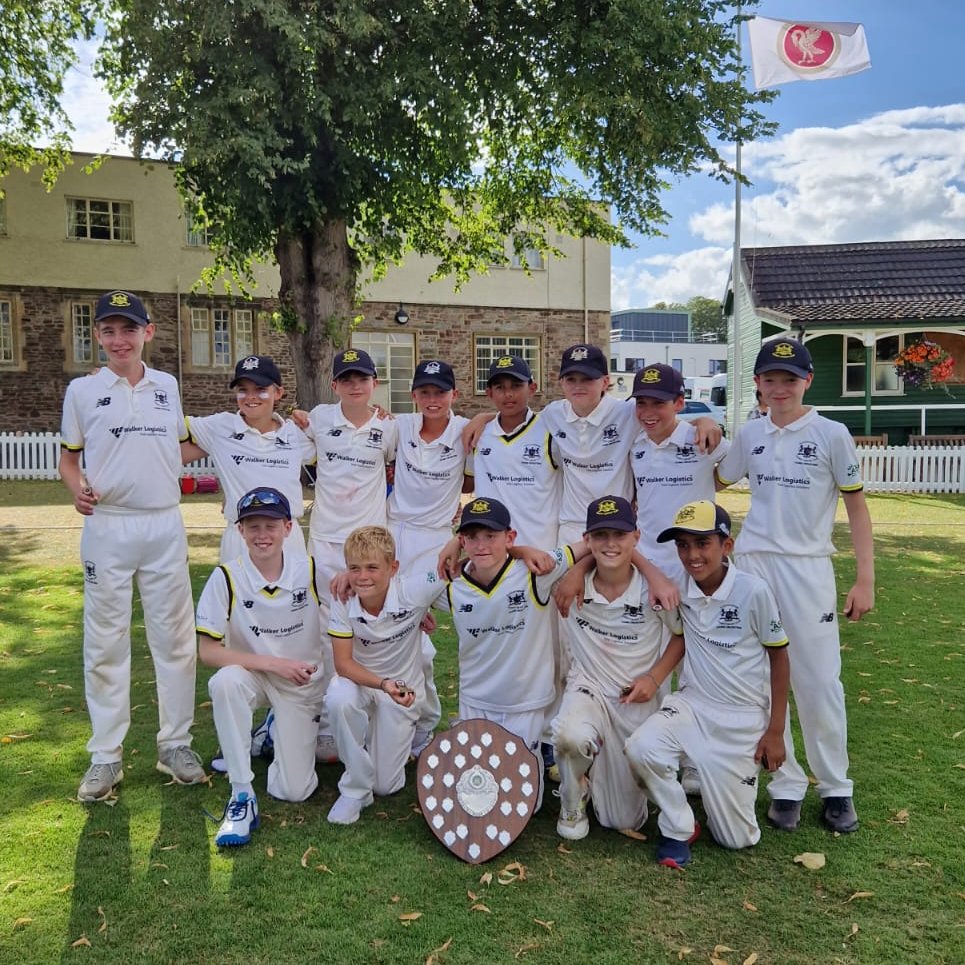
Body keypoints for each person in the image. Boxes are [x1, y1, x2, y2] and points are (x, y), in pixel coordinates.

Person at [716, 338, 874, 834]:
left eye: (789, 379)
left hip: (808, 567)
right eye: (769, 379)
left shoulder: (831, 433)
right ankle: (784, 783)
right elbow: (718, 475)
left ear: (807, 381)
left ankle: (835, 786)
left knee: (819, 678)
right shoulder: (751, 433)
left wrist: (865, 578)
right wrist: (702, 425)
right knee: (762, 676)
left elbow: (857, 507)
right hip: (755, 565)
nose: (779, 388)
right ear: (758, 384)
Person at [59, 290, 203, 801]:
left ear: (149, 332)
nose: (119, 340)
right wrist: (78, 491)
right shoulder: (81, 391)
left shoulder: (167, 386)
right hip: (109, 527)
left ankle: (175, 744)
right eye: (109, 330)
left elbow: (181, 445)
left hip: (164, 524)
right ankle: (105, 757)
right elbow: (69, 460)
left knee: (175, 639)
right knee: (105, 642)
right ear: (97, 336)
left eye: (129, 329)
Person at [625, 501, 790, 867]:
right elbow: (683, 637)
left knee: (736, 840)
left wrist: (775, 730)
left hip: (742, 720)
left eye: (703, 543)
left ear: (726, 546)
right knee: (641, 747)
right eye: (683, 545)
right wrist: (654, 678)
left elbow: (779, 657)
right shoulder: (681, 586)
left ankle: (715, 788)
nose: (692, 555)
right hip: (693, 706)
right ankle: (678, 823)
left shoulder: (753, 591)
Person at [439, 497, 590, 808]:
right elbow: (390, 585)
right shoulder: (450, 585)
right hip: (475, 702)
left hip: (525, 704)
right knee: (476, 795)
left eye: (491, 537)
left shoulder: (535, 571)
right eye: (472, 537)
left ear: (509, 537)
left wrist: (532, 555)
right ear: (462, 540)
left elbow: (588, 544)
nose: (481, 546)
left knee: (525, 804)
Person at [196, 488, 326, 846]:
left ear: (288, 527)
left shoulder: (313, 570)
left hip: (300, 682)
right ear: (240, 531)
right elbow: (207, 652)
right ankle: (242, 795)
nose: (262, 535)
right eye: (252, 526)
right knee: (225, 683)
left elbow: (361, 594)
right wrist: (273, 663)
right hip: (254, 675)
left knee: (294, 790)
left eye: (270, 525)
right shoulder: (226, 576)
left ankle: (272, 729)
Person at [552, 496, 684, 841]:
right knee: (569, 737)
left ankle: (596, 769)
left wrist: (654, 679)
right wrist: (577, 570)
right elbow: (516, 558)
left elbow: (682, 637)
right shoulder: (570, 586)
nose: (610, 544)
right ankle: (573, 795)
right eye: (601, 535)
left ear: (636, 537)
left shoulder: (656, 590)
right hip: (589, 688)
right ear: (588, 540)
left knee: (620, 818)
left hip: (633, 700)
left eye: (620, 535)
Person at [302, 348, 398, 762]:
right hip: (326, 543)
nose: (356, 385)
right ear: (336, 385)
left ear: (374, 384)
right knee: (326, 633)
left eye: (364, 378)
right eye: (347, 379)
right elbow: (287, 437)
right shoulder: (319, 419)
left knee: (373, 629)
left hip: (370, 545)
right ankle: (327, 725)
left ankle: (377, 715)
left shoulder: (389, 427)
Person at [325, 526, 446, 825]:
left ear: (393, 568)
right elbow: (343, 664)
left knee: (386, 785)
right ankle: (354, 789)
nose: (362, 576)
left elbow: (458, 563)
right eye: (354, 568)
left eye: (372, 567)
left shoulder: (414, 589)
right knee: (339, 696)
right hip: (364, 682)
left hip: (402, 692)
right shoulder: (343, 599)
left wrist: (457, 538)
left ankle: (391, 740)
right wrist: (382, 684)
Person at [387, 359, 470, 755]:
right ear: (414, 395)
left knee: (420, 640)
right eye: (425, 392)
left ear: (453, 395)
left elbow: (479, 475)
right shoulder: (399, 426)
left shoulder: (465, 430)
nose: (432, 399)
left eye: (440, 392)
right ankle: (403, 721)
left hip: (436, 545)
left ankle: (424, 726)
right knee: (395, 634)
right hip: (394, 539)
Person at [182, 355, 315, 563]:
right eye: (243, 390)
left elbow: (339, 450)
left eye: (261, 389)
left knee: (291, 595)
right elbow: (164, 436)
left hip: (287, 536)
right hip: (240, 535)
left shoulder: (296, 433)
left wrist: (375, 413)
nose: (251, 397)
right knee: (237, 594)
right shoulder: (220, 427)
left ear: (278, 392)